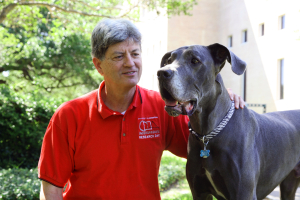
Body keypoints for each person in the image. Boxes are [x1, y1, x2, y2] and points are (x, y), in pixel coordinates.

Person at [38, 19, 245, 199]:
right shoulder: (68, 116)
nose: (130, 63)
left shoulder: (162, 108)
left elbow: (207, 141)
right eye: (119, 56)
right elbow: (51, 190)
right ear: (98, 65)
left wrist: (220, 98)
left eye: (135, 53)